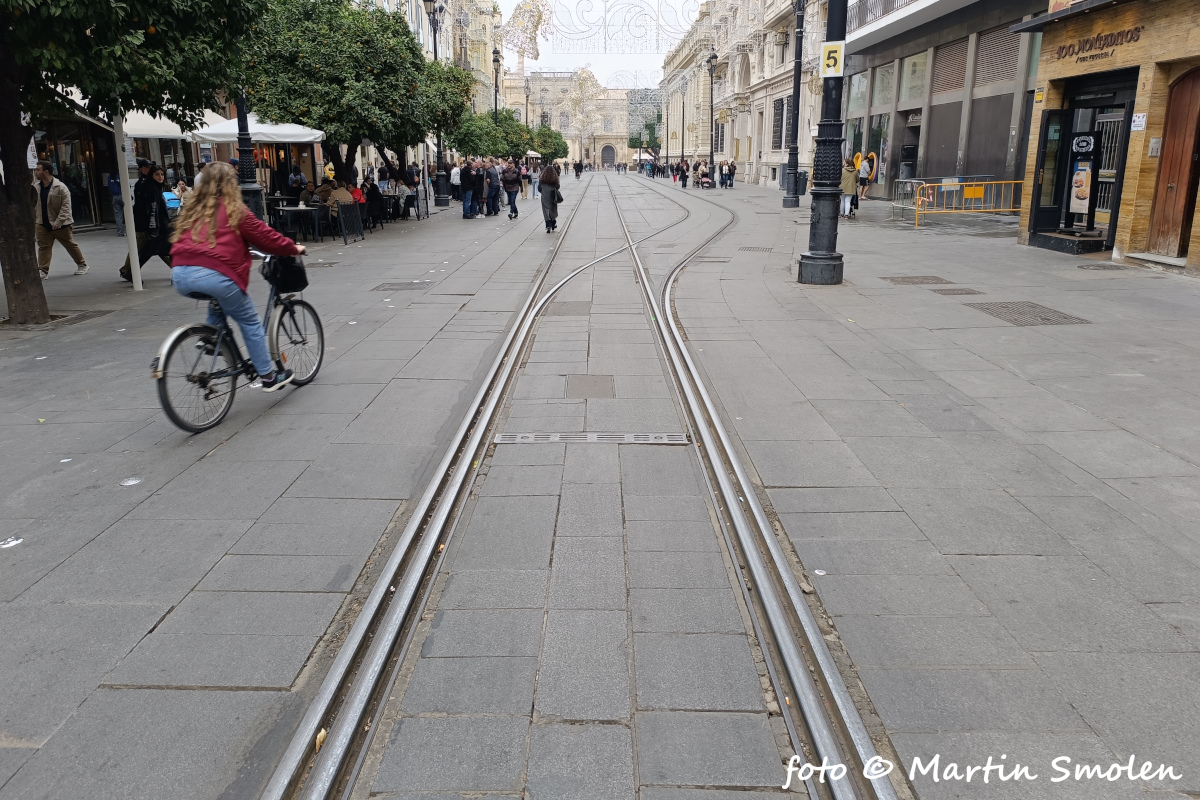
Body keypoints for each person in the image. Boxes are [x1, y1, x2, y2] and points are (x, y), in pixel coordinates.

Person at [169, 161, 304, 392]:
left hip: (180, 274)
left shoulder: (193, 209)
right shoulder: (234, 209)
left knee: (217, 297)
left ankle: (210, 338)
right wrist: (293, 247)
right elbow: (266, 237)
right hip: (215, 275)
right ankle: (269, 377)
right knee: (250, 322)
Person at [31, 161, 90, 278]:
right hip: (42, 223)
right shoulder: (36, 187)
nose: (35, 172)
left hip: (60, 224)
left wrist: (58, 222)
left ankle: (82, 264)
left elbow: (66, 207)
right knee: (44, 247)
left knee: (69, 244)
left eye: (38, 170)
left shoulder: (61, 187)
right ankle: (43, 270)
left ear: (46, 172)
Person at [120, 164, 172, 282]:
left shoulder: (152, 186)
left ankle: (130, 272)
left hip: (155, 225)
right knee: (155, 250)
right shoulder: (151, 188)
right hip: (155, 226)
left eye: (162, 174)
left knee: (151, 250)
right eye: (157, 174)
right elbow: (152, 210)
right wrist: (154, 228)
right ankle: (129, 271)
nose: (160, 177)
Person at [539, 164, 561, 233]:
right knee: (552, 210)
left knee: (545, 210)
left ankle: (548, 225)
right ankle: (553, 222)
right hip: (552, 195)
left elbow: (539, 188)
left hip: (544, 195)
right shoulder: (554, 179)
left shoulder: (542, 179)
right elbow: (558, 186)